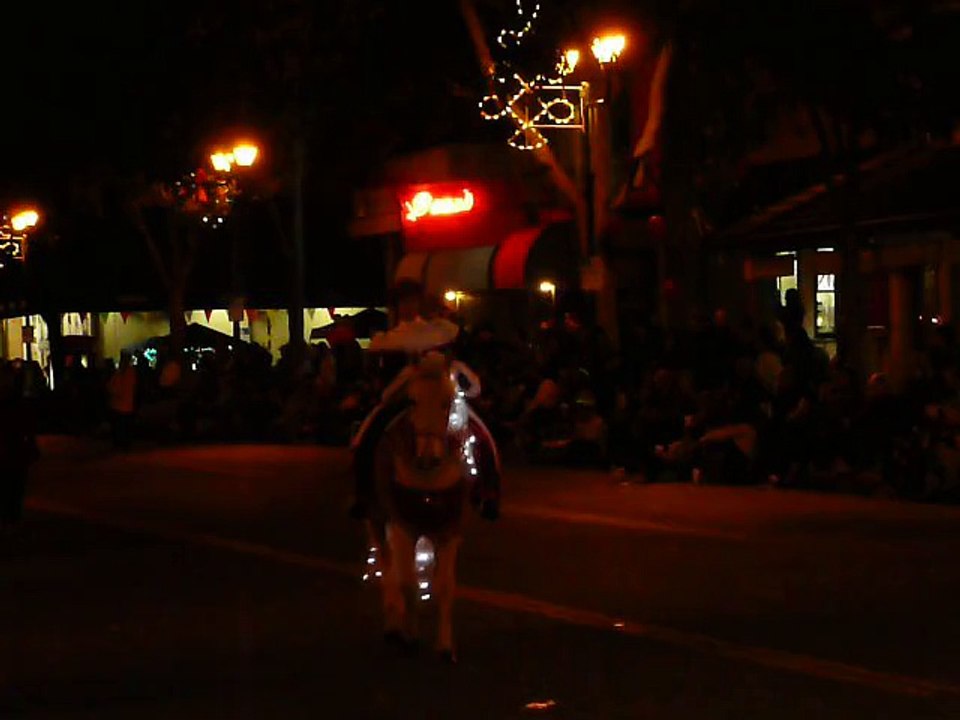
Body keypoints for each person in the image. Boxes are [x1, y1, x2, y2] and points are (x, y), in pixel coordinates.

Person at [350, 281, 499, 519]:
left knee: (481, 433)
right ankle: (365, 494)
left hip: (442, 394)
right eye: (403, 302)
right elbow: (381, 379)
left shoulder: (439, 332)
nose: (408, 306)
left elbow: (459, 358)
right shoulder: (389, 340)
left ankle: (487, 492)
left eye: (412, 301)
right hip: (403, 398)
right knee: (366, 436)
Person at [107, 353, 138, 450]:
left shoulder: (122, 373)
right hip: (125, 405)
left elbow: (114, 388)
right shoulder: (130, 373)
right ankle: (123, 443)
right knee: (123, 427)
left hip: (119, 405)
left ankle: (121, 444)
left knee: (120, 427)